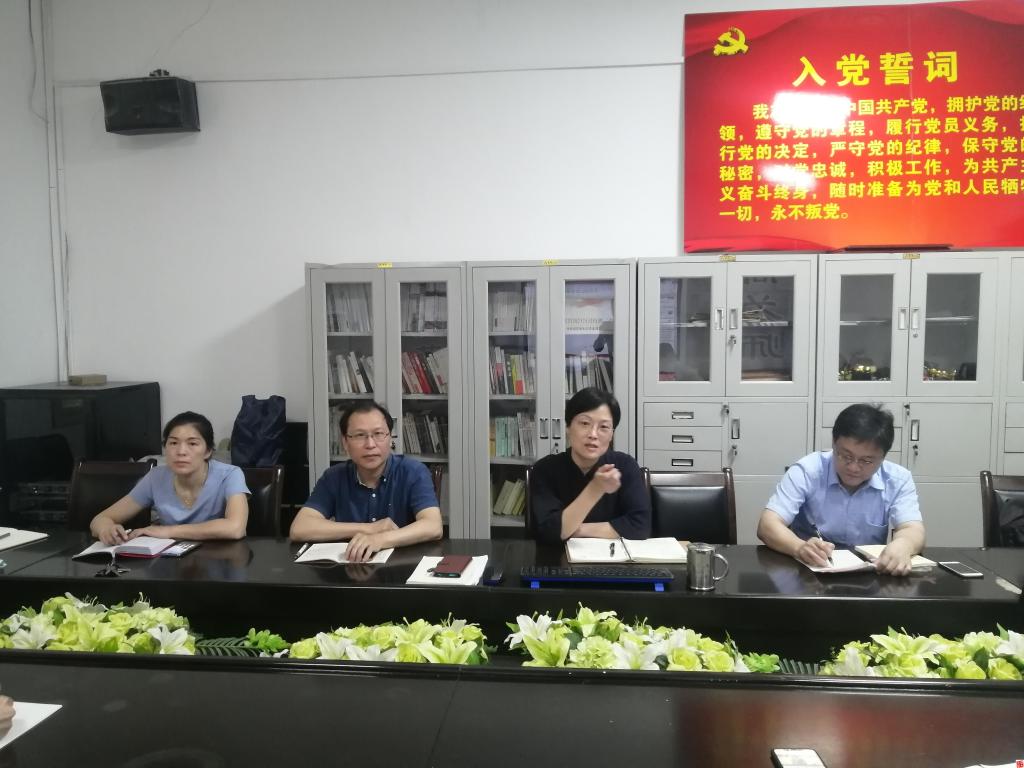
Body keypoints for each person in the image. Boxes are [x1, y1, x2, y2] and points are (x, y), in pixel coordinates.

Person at [757, 403, 925, 576]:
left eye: (866, 461)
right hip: (810, 572)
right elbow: (768, 524)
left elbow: (912, 528)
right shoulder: (807, 471)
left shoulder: (898, 479)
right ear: (834, 443)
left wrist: (904, 545)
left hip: (870, 575)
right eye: (846, 456)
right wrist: (799, 547)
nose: (853, 467)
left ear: (883, 457)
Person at [289, 401, 442, 562]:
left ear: (390, 438)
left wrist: (380, 539)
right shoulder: (334, 477)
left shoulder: (413, 472)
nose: (370, 444)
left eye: (378, 434)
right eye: (360, 435)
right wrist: (368, 529)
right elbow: (299, 528)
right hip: (349, 568)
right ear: (345, 443)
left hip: (403, 569)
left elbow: (433, 526)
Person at [89, 411, 250, 544]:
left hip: (219, 559)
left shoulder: (230, 475)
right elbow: (100, 519)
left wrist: (167, 531)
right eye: (173, 443)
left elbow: (235, 528)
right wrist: (106, 529)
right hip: (170, 562)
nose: (181, 451)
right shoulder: (156, 477)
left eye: (192, 444)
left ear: (208, 451)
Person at [529, 387, 651, 544]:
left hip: (612, 557)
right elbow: (549, 531)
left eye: (604, 427)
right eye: (585, 423)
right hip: (558, 557)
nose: (593, 434)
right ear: (568, 427)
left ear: (612, 434)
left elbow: (640, 527)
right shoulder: (545, 469)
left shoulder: (625, 465)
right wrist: (595, 489)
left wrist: (575, 529)